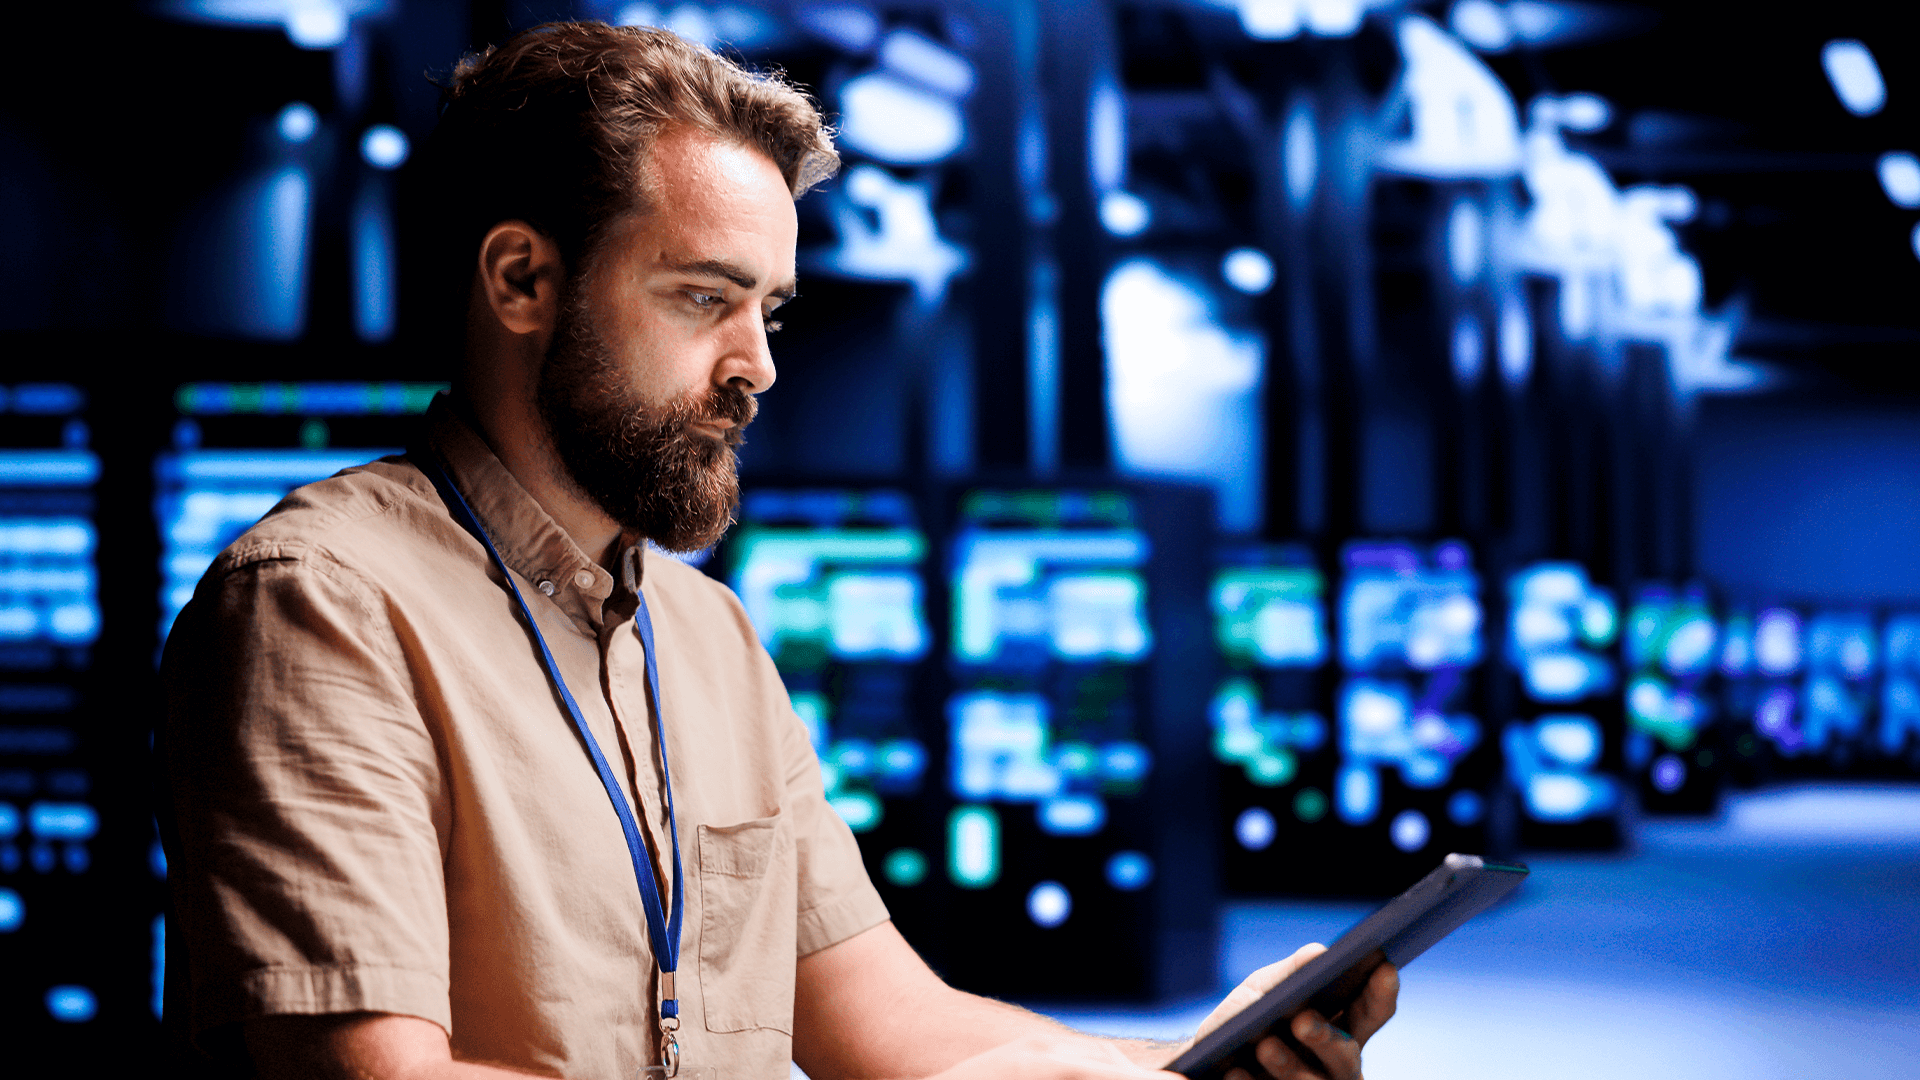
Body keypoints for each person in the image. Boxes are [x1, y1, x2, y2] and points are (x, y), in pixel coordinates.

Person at [157, 22, 1398, 1080]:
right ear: (523, 278)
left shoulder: (706, 637)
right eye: (704, 298)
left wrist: (1182, 1056)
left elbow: (899, 1027)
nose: (756, 364)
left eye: (772, 308)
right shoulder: (323, 603)